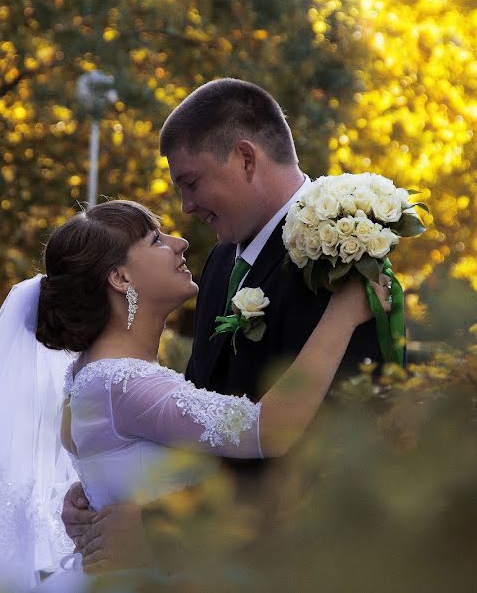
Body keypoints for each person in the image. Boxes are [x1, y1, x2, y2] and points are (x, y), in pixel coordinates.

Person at [0, 199, 390, 592]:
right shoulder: (122, 384)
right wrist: (343, 314)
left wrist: (92, 500)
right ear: (120, 277)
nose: (178, 243)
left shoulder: (94, 376)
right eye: (155, 239)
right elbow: (269, 429)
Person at [62, 78, 386, 570]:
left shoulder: (338, 262)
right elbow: (197, 427)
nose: (187, 209)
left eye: (191, 182)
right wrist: (106, 485)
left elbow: (330, 454)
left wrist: (157, 528)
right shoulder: (216, 268)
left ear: (246, 158)